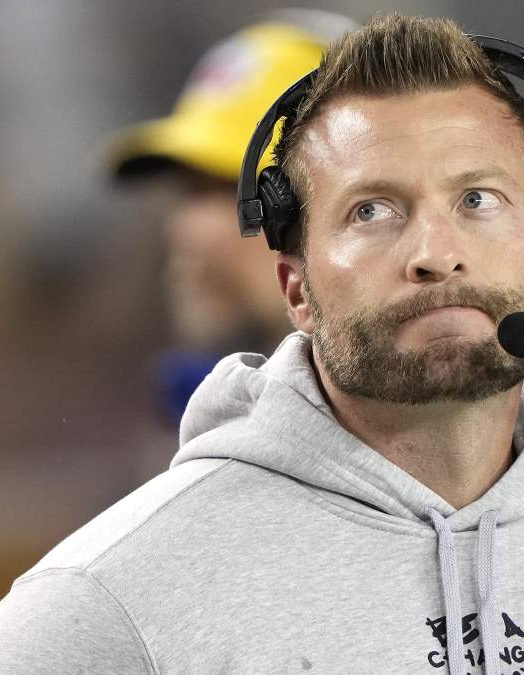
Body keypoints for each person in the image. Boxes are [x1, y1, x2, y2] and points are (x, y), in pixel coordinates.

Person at [0, 15, 524, 673]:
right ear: (295, 286)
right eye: (372, 211)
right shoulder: (102, 611)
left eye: (478, 198)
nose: (436, 252)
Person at [104, 11, 354, 427]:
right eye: (189, 191)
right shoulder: (198, 430)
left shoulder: (454, 449)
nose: (188, 229)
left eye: (237, 190)